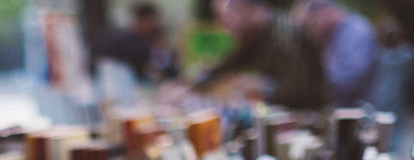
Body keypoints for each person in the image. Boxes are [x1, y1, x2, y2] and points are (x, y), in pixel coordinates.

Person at [197, 0, 328, 109]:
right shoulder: (254, 35)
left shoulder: (284, 36)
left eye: (224, 18)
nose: (224, 27)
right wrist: (193, 84)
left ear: (243, 9)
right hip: (286, 118)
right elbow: (229, 63)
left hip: (310, 121)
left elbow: (296, 90)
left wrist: (259, 87)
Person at [292, 0, 380, 107]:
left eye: (309, 25)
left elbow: (348, 83)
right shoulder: (333, 34)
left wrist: (308, 86)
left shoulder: (356, 33)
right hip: (343, 110)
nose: (310, 32)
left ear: (322, 11)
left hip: (361, 113)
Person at [98, 2, 178, 83]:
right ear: (140, 20)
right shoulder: (126, 42)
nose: (154, 25)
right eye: (150, 21)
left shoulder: (147, 41)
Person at [372, 17, 413, 152]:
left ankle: (387, 152)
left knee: (388, 129)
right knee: (393, 129)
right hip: (395, 98)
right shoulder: (408, 56)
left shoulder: (379, 55)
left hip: (385, 97)